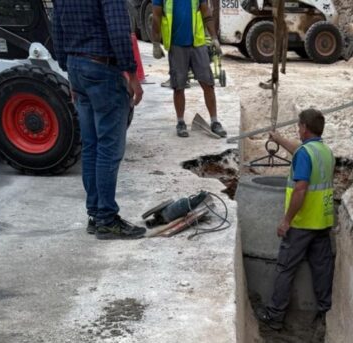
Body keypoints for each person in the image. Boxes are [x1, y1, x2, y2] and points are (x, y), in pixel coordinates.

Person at [53, 0, 147, 240]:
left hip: (77, 66)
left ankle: (95, 214)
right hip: (102, 69)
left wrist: (68, 69)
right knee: (108, 148)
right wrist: (132, 74)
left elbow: (58, 29)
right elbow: (117, 29)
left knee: (92, 146)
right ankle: (106, 218)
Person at [258, 109, 336, 331]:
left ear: (303, 128)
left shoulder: (304, 154)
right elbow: (300, 151)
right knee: (322, 269)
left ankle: (275, 317)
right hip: (322, 222)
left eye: (299, 126)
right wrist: (279, 139)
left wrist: (286, 220)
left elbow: (300, 189)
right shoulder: (325, 151)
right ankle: (324, 313)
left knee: (285, 269)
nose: (298, 129)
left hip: (302, 223)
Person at [150, 0, 227, 138]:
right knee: (178, 86)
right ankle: (180, 122)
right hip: (176, 44)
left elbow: (206, 12)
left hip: (197, 43)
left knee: (208, 83)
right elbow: (156, 16)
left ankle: (214, 121)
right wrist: (156, 43)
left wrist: (214, 37)